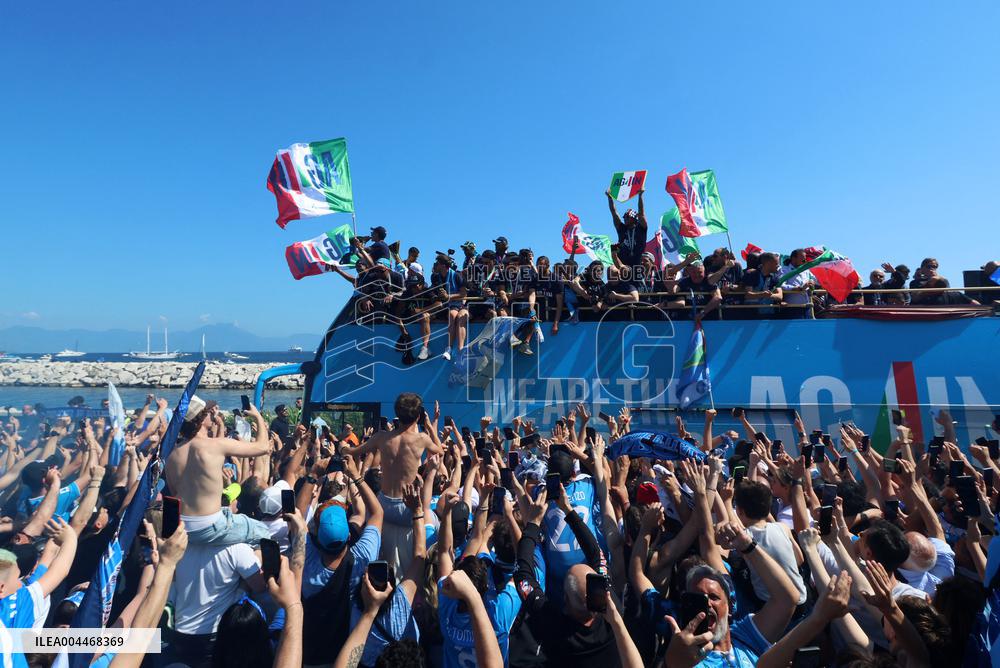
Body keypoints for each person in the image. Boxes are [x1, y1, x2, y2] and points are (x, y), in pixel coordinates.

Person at [342, 393, 443, 575]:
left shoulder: (381, 438)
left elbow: (354, 451)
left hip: (383, 506)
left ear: (397, 412)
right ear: (418, 416)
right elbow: (440, 451)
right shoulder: (422, 439)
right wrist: (429, 426)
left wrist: (342, 447)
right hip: (408, 507)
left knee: (382, 555)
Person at [164, 397, 272, 546]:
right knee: (264, 531)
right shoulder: (215, 445)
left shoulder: (172, 454)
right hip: (210, 525)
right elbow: (263, 448)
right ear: (201, 419)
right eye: (208, 412)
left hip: (183, 525)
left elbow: (174, 494)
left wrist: (168, 534)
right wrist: (258, 416)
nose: (212, 414)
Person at [430, 254, 469, 361]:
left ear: (443, 265)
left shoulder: (456, 275)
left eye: (436, 264)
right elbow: (432, 291)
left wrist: (448, 296)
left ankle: (454, 348)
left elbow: (463, 294)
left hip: (457, 304)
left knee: (453, 315)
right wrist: (436, 296)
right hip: (444, 306)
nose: (434, 265)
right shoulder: (435, 277)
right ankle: (448, 348)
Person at [605, 188, 647, 271]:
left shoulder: (641, 228)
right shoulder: (622, 229)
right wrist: (610, 197)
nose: (625, 219)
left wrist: (640, 195)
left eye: (627, 217)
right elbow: (614, 213)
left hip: (638, 266)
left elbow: (641, 214)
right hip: (622, 265)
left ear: (635, 218)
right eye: (624, 217)